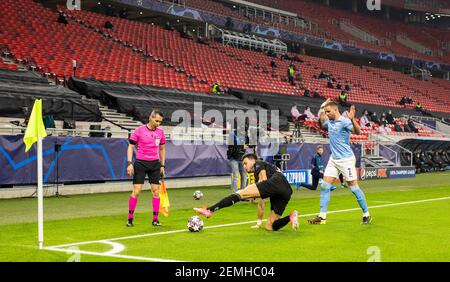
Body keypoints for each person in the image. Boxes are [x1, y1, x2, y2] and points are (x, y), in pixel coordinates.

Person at [194, 153, 299, 231]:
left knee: (240, 193)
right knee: (270, 226)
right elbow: (262, 200)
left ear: (252, 160)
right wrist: (259, 221)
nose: (244, 166)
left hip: (276, 182)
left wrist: (251, 193)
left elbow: (263, 179)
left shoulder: (258, 163)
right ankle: (291, 217)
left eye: (245, 163)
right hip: (286, 190)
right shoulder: (267, 168)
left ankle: (210, 210)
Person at [308, 99, 371, 225]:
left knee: (353, 188)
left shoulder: (344, 121)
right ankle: (322, 217)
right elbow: (321, 121)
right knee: (325, 186)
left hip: (346, 159)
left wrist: (353, 119)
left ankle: (366, 213)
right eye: (325, 112)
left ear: (336, 110)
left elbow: (358, 132)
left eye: (328, 111)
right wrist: (322, 106)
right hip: (334, 159)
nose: (326, 114)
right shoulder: (329, 122)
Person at [126, 110, 166, 227]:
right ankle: (130, 218)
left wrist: (162, 165)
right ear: (150, 118)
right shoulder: (139, 130)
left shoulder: (161, 132)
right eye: (156, 120)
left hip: (155, 164)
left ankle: (155, 219)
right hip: (140, 163)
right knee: (137, 191)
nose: (158, 123)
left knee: (156, 192)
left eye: (160, 122)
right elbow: (130, 146)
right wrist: (129, 163)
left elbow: (162, 149)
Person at [227, 129, 247, 193]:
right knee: (236, 176)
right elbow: (231, 145)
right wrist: (242, 146)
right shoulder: (232, 134)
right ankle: (235, 194)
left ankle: (243, 192)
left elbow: (247, 145)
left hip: (242, 157)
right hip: (233, 158)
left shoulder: (244, 135)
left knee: (244, 176)